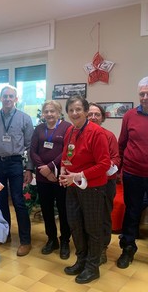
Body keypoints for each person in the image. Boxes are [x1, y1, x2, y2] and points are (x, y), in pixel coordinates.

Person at [59, 95, 110, 284]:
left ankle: (92, 267)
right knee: (75, 224)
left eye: (78, 109)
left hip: (92, 188)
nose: (74, 113)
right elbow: (66, 152)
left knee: (92, 228)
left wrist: (78, 175)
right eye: (71, 110)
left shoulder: (97, 133)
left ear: (86, 111)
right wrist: (63, 171)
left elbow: (104, 164)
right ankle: (81, 260)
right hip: (72, 185)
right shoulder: (71, 131)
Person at [0, 85, 34, 257]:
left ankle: (25, 241)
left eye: (11, 96)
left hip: (15, 163)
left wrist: (29, 168)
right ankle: (4, 235)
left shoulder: (24, 118)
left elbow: (30, 146)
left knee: (18, 201)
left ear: (16, 99)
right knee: (0, 199)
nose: (8, 99)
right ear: (0, 98)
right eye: (5, 96)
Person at [30, 100, 71, 259]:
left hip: (60, 175)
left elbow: (68, 150)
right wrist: (44, 170)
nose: (49, 114)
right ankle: (52, 239)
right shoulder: (39, 128)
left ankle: (65, 240)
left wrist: (52, 166)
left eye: (52, 111)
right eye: (46, 111)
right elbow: (33, 150)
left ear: (59, 112)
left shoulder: (67, 127)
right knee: (46, 210)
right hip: (42, 176)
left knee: (63, 210)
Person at [116, 77, 148, 269]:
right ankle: (127, 248)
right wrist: (120, 170)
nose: (144, 97)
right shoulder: (129, 116)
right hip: (132, 173)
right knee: (132, 211)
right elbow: (122, 144)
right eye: (142, 94)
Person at [88, 102, 120, 265]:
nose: (93, 117)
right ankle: (89, 247)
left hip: (106, 182)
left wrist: (102, 169)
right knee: (88, 216)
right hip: (86, 182)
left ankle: (102, 249)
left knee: (103, 216)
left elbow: (116, 158)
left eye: (97, 114)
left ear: (102, 117)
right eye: (90, 114)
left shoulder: (108, 136)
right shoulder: (81, 134)